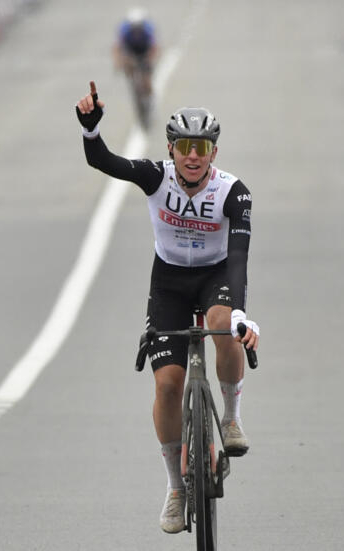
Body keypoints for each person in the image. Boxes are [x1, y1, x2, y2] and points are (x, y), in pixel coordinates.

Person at [75, 81, 260, 535]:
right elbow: (103, 161)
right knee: (168, 385)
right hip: (171, 284)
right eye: (184, 147)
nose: (192, 156)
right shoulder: (155, 176)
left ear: (213, 153)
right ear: (171, 149)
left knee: (223, 324)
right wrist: (92, 129)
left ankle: (232, 419)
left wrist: (239, 314)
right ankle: (177, 488)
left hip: (216, 277)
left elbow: (237, 258)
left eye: (201, 147)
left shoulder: (234, 192)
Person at [112, 7, 157, 125]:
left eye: (139, 28)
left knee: (146, 76)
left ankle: (150, 97)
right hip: (131, 50)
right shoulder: (124, 30)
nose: (136, 31)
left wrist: (149, 61)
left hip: (144, 50)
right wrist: (119, 63)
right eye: (134, 28)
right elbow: (117, 48)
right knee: (128, 67)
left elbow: (154, 48)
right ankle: (135, 91)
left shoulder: (148, 29)